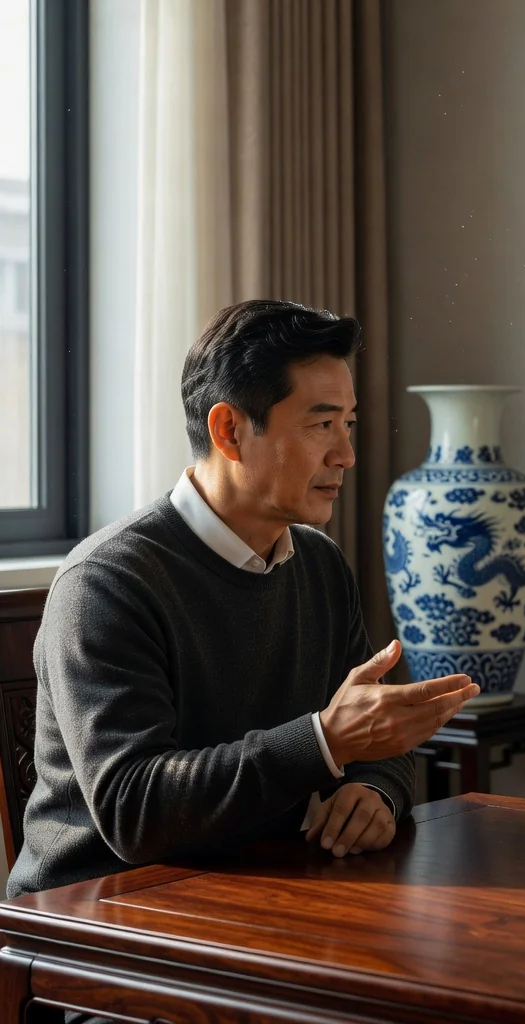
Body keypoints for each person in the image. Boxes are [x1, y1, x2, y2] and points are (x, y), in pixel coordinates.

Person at [8, 299, 479, 899]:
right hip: (98, 912)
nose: (346, 454)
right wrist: (324, 742)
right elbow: (134, 810)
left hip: (250, 890)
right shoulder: (106, 582)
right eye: (321, 425)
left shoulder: (319, 564)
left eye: (349, 424)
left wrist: (374, 790)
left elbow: (370, 736)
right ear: (228, 430)